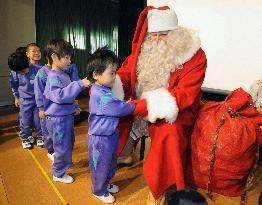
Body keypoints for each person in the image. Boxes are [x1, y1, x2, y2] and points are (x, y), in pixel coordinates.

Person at [114, 6, 207, 204]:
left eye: (163, 34)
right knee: (112, 110)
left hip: (176, 108)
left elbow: (184, 95)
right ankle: (124, 153)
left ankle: (159, 188)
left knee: (168, 133)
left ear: (177, 34)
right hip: (141, 105)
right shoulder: (145, 49)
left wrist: (142, 106)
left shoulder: (195, 56)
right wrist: (107, 85)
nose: (156, 40)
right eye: (153, 34)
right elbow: (126, 72)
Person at [86, 48, 146, 203]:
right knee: (100, 165)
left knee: (110, 162)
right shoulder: (100, 95)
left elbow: (116, 104)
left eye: (115, 72)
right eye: (111, 73)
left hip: (110, 134)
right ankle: (98, 190)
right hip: (100, 139)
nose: (115, 76)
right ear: (96, 75)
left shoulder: (104, 89)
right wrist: (134, 105)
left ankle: (106, 183)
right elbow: (118, 108)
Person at [43, 38, 90, 183]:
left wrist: (75, 107)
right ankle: (58, 173)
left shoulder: (62, 74)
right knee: (63, 145)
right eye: (66, 57)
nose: (69, 61)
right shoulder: (53, 77)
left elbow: (68, 98)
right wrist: (79, 83)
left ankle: (60, 163)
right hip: (58, 119)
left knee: (66, 143)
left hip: (64, 116)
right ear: (54, 57)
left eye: (70, 57)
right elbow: (61, 96)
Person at [8, 51, 43, 149]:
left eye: (24, 70)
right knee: (25, 120)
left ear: (28, 61)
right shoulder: (14, 73)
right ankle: (26, 137)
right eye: (20, 72)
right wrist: (16, 97)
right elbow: (14, 86)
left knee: (39, 120)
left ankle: (41, 136)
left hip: (37, 100)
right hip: (24, 101)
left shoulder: (38, 69)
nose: (23, 73)